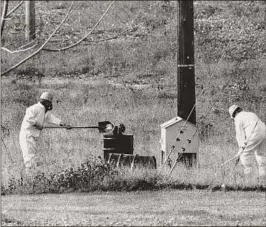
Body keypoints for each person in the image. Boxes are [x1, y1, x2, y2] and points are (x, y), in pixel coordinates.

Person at [19, 91, 71, 171]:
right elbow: (28, 118)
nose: (50, 104)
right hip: (27, 135)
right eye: (49, 102)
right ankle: (29, 178)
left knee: (32, 157)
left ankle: (32, 176)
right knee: (29, 158)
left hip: (32, 136)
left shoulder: (44, 110)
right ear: (45, 101)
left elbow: (51, 118)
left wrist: (62, 124)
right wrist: (37, 125)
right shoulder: (35, 108)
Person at [229, 104, 266, 183]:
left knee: (245, 154)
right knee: (261, 154)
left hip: (255, 133)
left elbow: (240, 136)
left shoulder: (238, 118)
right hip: (264, 131)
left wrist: (240, 151)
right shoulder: (251, 114)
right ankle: (263, 177)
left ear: (234, 114)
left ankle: (249, 180)